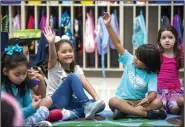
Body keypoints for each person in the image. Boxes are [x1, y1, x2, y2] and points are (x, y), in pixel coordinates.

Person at [103, 12, 167, 120]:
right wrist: (108, 26)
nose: (135, 58)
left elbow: (152, 93)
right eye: (136, 55)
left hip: (139, 103)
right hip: (122, 100)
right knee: (112, 101)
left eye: (139, 58)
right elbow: (117, 43)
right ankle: (144, 114)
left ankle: (125, 112)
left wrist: (148, 99)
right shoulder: (130, 59)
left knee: (158, 102)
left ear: (148, 63)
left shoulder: (151, 75)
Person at [40, 26, 105, 120]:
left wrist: (97, 98)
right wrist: (51, 43)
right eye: (64, 52)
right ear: (57, 55)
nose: (68, 54)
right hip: (55, 102)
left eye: (70, 51)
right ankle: (86, 105)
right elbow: (52, 56)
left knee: (100, 105)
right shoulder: (54, 66)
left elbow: (85, 82)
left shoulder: (76, 68)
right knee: (72, 77)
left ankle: (71, 113)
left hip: (70, 102)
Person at [1, 44, 51, 126]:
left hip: (23, 117)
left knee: (44, 110)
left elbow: (28, 105)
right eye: (17, 74)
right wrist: (32, 108)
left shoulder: (23, 84)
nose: (21, 78)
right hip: (9, 120)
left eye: (24, 73)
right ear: (5, 71)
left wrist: (33, 102)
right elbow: (13, 114)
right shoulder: (3, 89)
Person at [156, 25, 184, 114]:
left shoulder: (179, 55)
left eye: (170, 37)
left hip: (174, 90)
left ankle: (179, 108)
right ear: (159, 41)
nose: (167, 40)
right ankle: (162, 108)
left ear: (176, 39)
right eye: (163, 38)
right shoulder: (157, 55)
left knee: (174, 109)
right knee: (158, 105)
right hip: (159, 89)